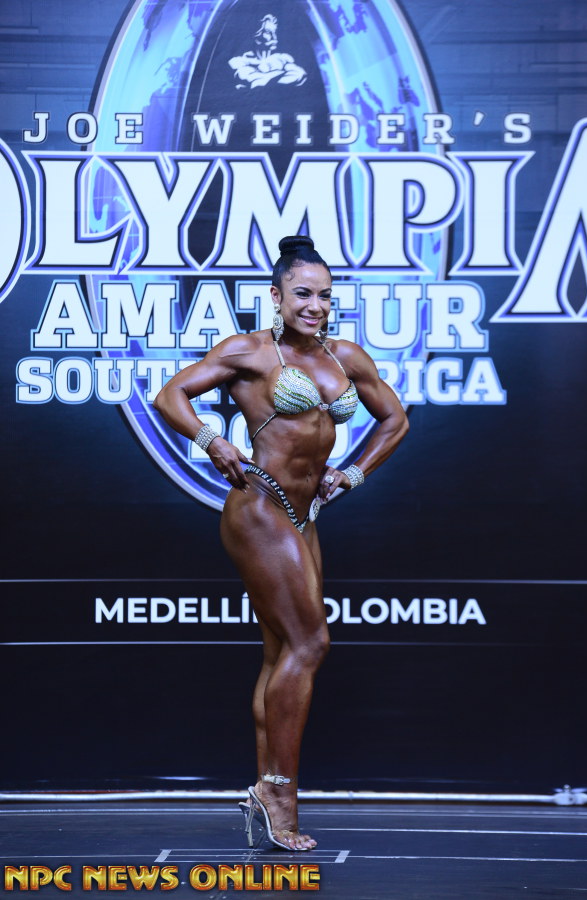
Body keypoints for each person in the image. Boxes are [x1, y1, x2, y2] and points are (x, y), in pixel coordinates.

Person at [153, 235, 409, 851]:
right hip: (259, 506)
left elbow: (395, 419)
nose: (315, 306)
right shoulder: (249, 351)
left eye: (324, 295)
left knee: (281, 655)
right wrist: (212, 440)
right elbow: (168, 395)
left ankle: (265, 791)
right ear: (276, 296)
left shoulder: (345, 357)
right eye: (302, 294)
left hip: (304, 513)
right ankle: (278, 794)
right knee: (310, 642)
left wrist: (353, 473)